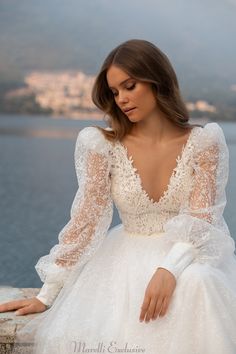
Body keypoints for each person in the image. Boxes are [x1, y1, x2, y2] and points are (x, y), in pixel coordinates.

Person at [0, 38, 236, 354]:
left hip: (186, 257)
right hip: (122, 262)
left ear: (157, 81)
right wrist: (48, 293)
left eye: (130, 86)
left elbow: (201, 220)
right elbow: (86, 222)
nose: (122, 99)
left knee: (198, 281)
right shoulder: (102, 146)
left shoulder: (204, 144)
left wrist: (169, 270)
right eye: (115, 92)